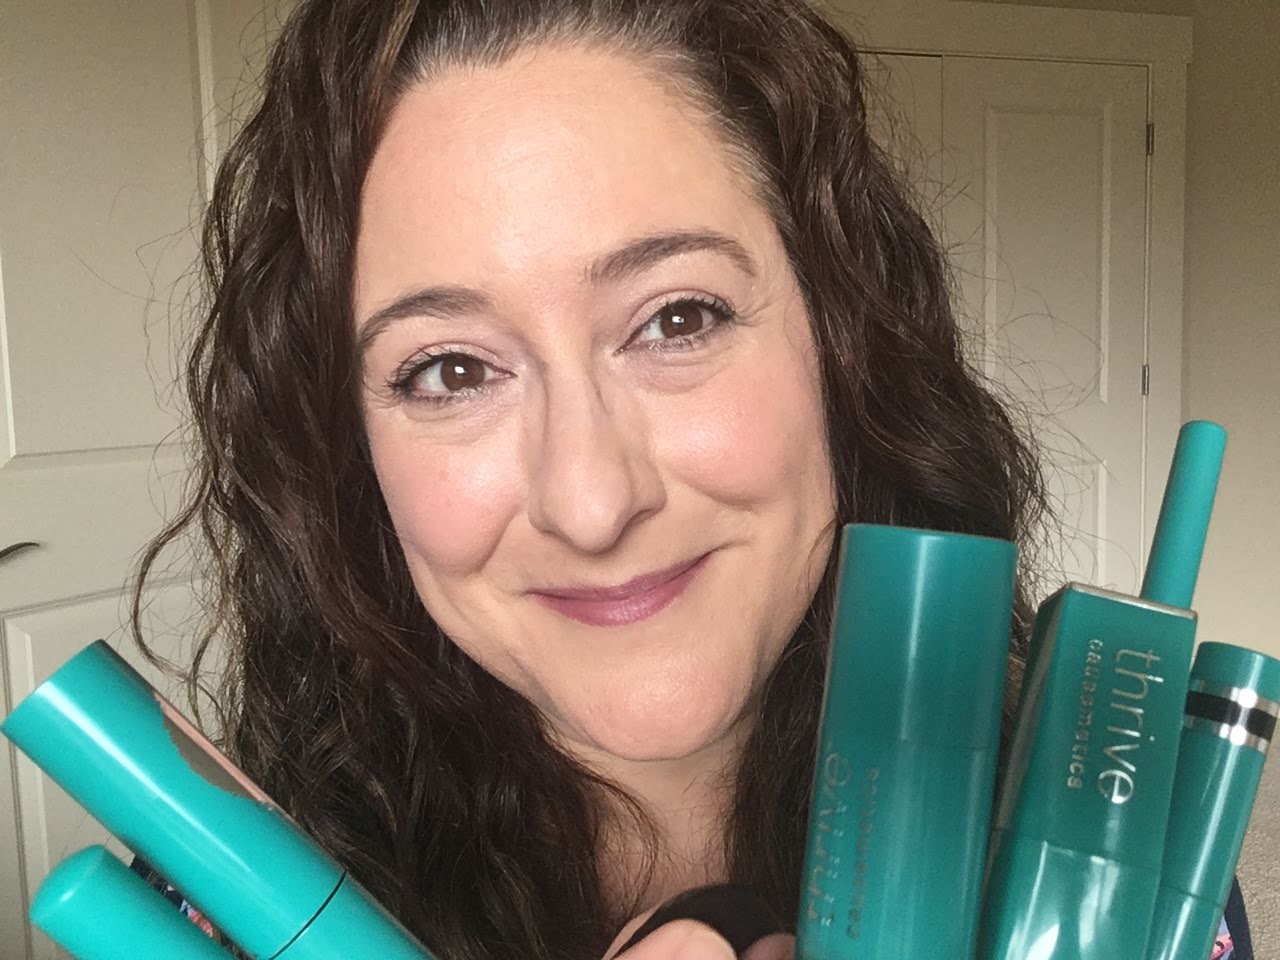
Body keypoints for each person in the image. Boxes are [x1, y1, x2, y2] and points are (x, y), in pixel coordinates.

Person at [129, 0, 1247, 957]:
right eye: (451, 370)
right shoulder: (221, 899)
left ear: (840, 336)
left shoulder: (1115, 842)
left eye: (677, 318)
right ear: (345, 447)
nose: (591, 502)